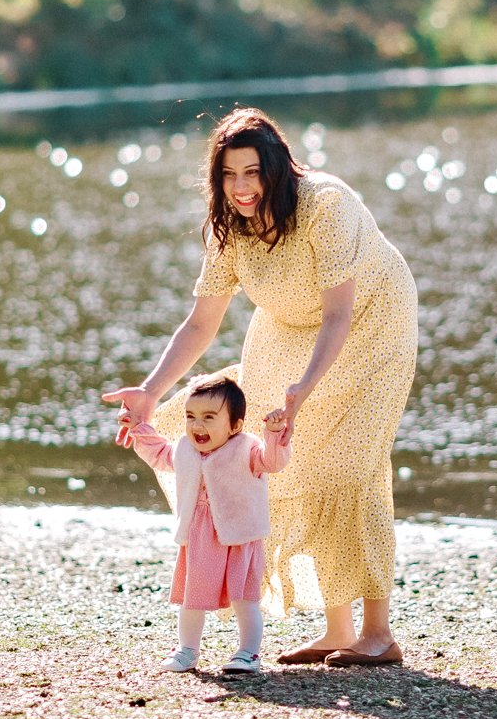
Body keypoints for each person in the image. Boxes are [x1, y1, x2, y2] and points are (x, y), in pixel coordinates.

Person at [104, 107, 419, 667]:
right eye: (229, 175)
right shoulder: (230, 231)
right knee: (281, 457)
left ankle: (377, 633)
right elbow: (202, 323)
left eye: (252, 172)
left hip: (373, 321)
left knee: (349, 466)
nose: (241, 187)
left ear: (276, 168)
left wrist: (302, 389)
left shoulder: (326, 205)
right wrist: (150, 390)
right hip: (283, 325)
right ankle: (336, 630)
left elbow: (339, 316)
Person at [119, 373, 293, 673]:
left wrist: (274, 434)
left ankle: (249, 652)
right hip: (200, 535)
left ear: (235, 425)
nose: (197, 425)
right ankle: (187, 650)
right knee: (192, 597)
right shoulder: (185, 448)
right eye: (191, 417)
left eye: (209, 417)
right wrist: (137, 427)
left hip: (240, 536)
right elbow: (159, 452)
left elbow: (273, 461)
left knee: (244, 599)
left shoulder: (247, 449)